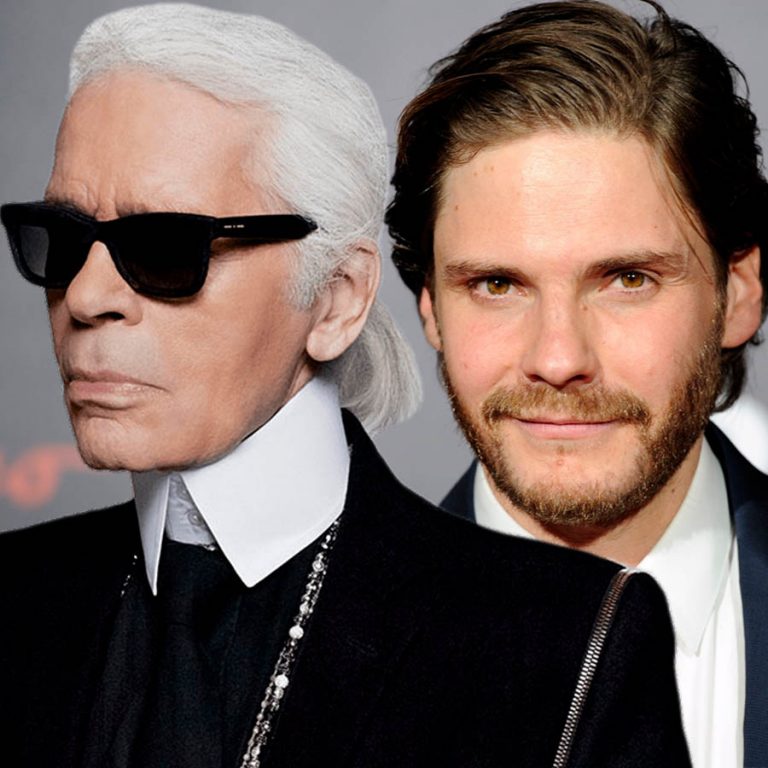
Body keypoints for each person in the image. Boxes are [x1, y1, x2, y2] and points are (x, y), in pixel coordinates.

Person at [0, 4, 690, 767]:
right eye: (63, 240)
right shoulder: (18, 596)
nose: (86, 296)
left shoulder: (569, 644)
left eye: (165, 247)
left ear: (335, 298)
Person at [387, 1, 768, 766]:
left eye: (627, 279)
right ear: (430, 307)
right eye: (498, 284)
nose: (559, 359)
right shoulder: (299, 660)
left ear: (739, 293)